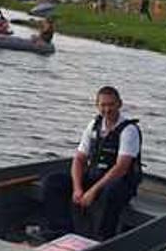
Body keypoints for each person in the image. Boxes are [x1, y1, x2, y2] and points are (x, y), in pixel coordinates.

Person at [41, 86, 143, 240]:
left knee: (111, 193)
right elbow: (79, 159)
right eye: (103, 105)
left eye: (111, 104)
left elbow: (121, 168)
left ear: (119, 104)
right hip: (94, 176)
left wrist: (92, 191)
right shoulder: (94, 125)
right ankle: (60, 232)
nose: (107, 109)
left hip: (119, 182)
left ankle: (102, 239)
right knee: (52, 182)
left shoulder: (129, 131)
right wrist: (77, 189)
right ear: (97, 105)